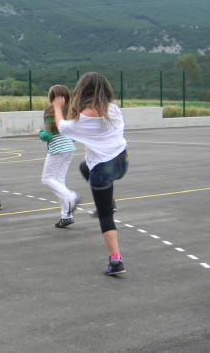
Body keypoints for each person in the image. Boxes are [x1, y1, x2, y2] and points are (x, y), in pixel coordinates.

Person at [52, 72, 129, 276]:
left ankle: (116, 261)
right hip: (122, 162)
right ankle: (109, 202)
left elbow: (63, 128)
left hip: (103, 170)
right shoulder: (114, 109)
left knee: (105, 215)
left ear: (83, 91)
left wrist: (58, 107)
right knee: (84, 167)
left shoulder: (86, 117)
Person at [36, 85, 80, 228]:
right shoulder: (71, 110)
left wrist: (39, 132)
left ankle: (72, 196)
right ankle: (66, 215)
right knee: (60, 181)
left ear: (51, 97)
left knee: (47, 178)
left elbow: (48, 135)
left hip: (57, 148)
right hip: (69, 147)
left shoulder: (50, 110)